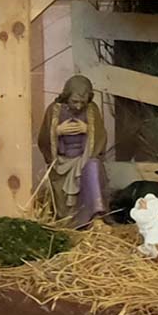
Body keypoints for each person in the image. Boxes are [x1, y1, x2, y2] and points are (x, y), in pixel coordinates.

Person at [37, 75, 107, 228]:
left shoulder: (92, 110)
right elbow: (42, 140)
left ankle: (96, 216)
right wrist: (57, 131)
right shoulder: (54, 110)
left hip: (84, 159)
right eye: (74, 101)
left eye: (83, 102)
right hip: (62, 162)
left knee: (93, 166)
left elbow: (101, 137)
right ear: (66, 96)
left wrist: (88, 129)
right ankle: (69, 220)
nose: (79, 106)